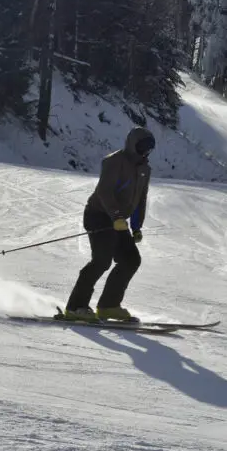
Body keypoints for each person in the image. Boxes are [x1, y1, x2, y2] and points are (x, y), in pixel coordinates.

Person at [63, 127, 155, 323]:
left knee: (131, 260)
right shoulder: (114, 161)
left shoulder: (145, 170)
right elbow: (104, 192)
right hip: (99, 215)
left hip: (119, 221)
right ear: (132, 144)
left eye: (150, 147)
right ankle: (75, 307)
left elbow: (141, 199)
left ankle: (108, 306)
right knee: (101, 260)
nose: (146, 151)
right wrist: (115, 217)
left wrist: (137, 227)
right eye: (142, 146)